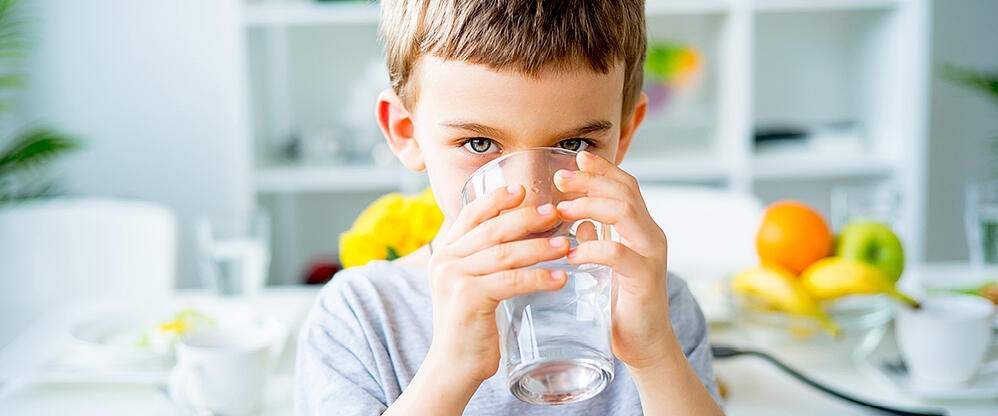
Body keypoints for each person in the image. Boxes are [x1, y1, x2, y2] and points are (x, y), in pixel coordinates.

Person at [296, 0, 724, 414]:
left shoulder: (655, 303)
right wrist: (450, 369)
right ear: (406, 132)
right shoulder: (360, 318)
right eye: (480, 144)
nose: (534, 196)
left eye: (572, 144)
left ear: (625, 132)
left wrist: (654, 355)